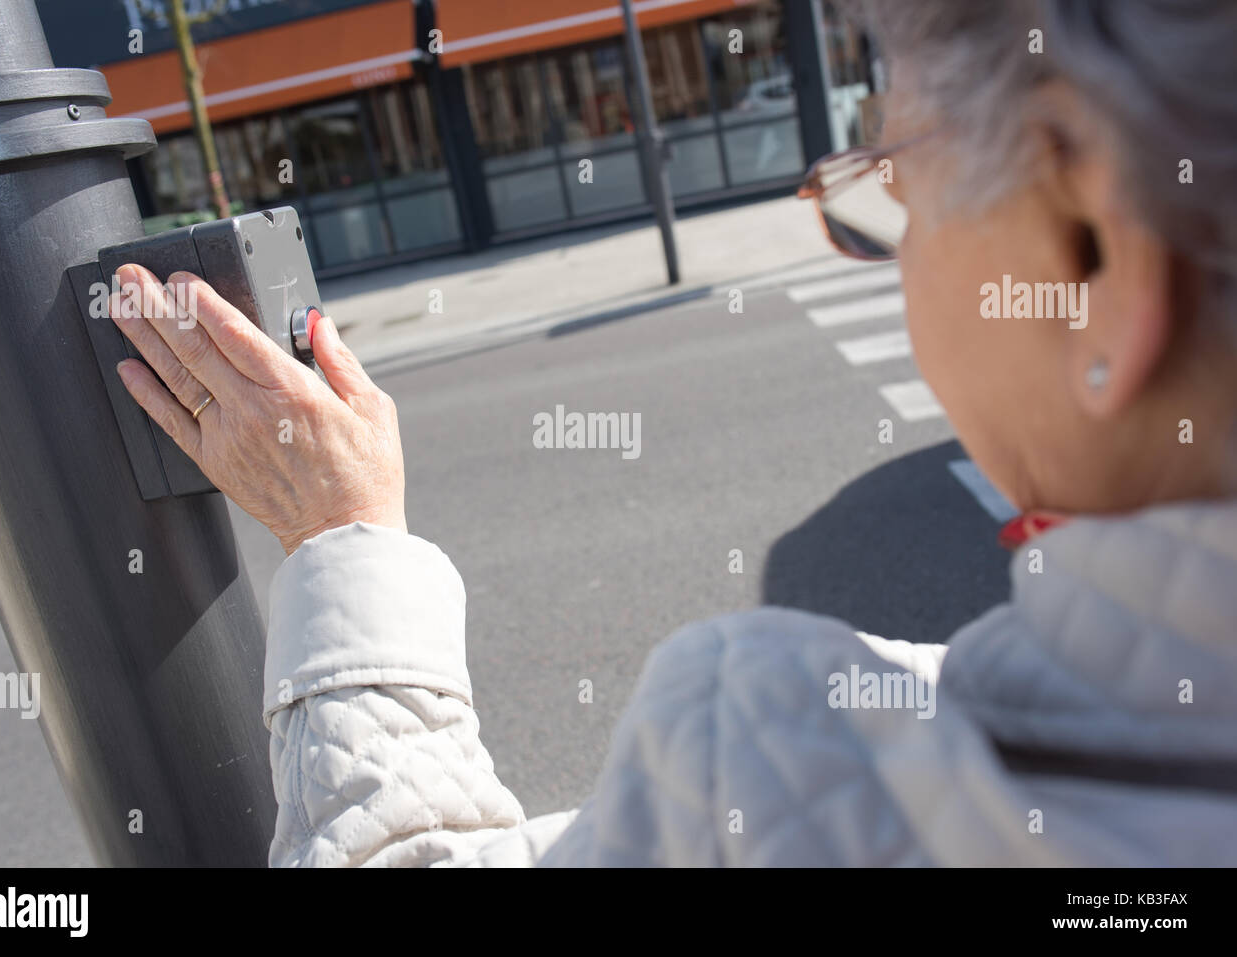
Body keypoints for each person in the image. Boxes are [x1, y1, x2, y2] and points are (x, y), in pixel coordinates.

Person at [108, 0, 1237, 866]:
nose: (892, 262)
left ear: (1088, 246)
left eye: (894, 186)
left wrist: (342, 536)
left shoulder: (767, 758)